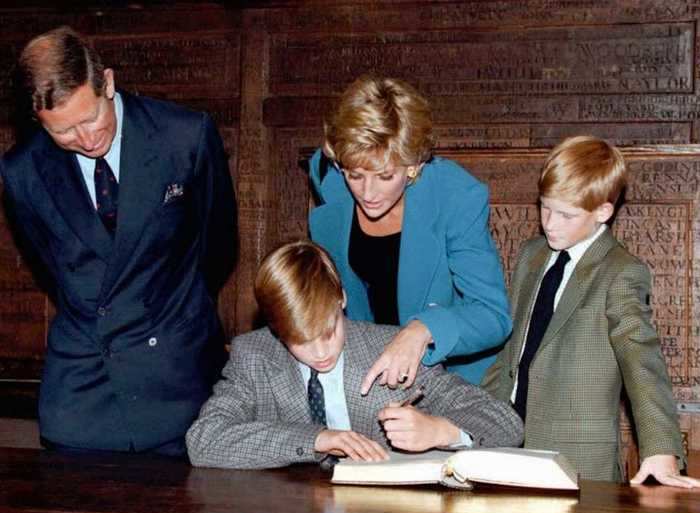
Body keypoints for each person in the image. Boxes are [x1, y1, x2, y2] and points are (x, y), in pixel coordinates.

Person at [0, 26, 237, 455]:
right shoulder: (22, 171)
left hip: (176, 373)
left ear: (107, 82)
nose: (87, 139)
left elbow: (218, 246)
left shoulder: (184, 136)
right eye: (64, 132)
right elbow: (50, 265)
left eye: (90, 118)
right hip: (84, 383)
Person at [186, 240, 522, 469]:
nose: (319, 353)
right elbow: (204, 440)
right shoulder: (254, 355)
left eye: (328, 332)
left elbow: (507, 424)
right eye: (299, 341)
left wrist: (442, 431)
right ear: (276, 329)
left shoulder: (392, 350)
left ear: (342, 299)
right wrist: (317, 439)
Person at [481, 136, 699, 487]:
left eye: (566, 215)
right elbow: (511, 353)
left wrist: (661, 450)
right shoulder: (531, 255)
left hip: (579, 462)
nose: (550, 223)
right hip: (504, 445)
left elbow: (641, 358)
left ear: (603, 212)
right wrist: (473, 421)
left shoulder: (621, 272)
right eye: (544, 207)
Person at [308, 75, 511, 392]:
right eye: (356, 175)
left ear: (413, 165)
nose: (368, 192)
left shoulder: (454, 197)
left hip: (453, 379)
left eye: (386, 176)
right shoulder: (332, 181)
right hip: (369, 372)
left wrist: (423, 329)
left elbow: (493, 316)